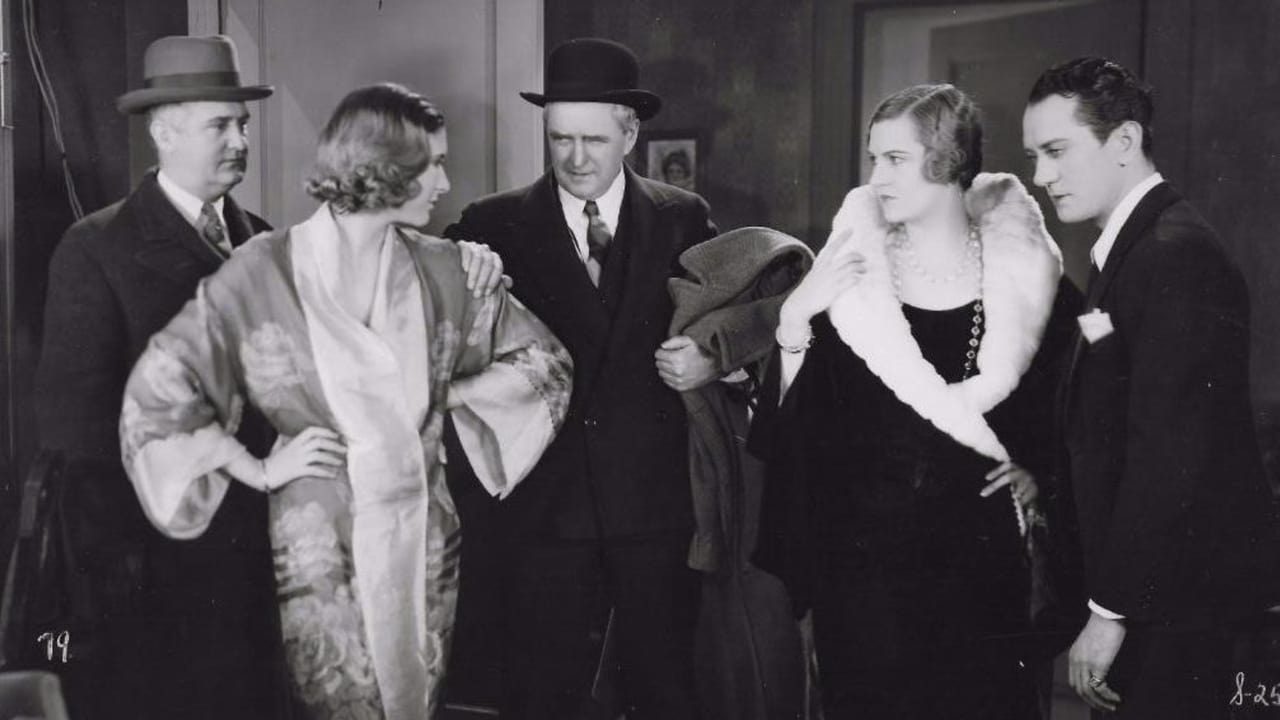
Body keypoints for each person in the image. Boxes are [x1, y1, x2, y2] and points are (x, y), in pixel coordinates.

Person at [116, 82, 570, 720]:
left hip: (424, 534)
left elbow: (545, 362)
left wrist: (449, 397)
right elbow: (161, 387)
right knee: (333, 697)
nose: (445, 183)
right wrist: (255, 468)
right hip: (317, 542)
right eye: (434, 164)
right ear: (386, 168)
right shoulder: (264, 268)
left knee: (415, 695)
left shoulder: (446, 268)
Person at [754, 83, 1081, 719]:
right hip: (865, 573)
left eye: (895, 160)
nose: (877, 177)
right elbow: (796, 437)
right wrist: (795, 319)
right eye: (873, 159)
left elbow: (1077, 415)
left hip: (981, 565)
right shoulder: (850, 281)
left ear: (949, 160)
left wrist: (1040, 476)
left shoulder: (1032, 282)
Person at [444, 37, 718, 720]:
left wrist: (710, 359)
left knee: (664, 691)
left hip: (653, 510)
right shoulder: (490, 224)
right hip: (542, 511)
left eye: (593, 140)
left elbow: (729, 321)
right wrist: (460, 275)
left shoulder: (684, 217)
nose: (574, 158)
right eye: (560, 139)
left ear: (631, 133)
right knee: (541, 696)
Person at [33, 34, 279, 720]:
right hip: (157, 565)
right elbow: (77, 433)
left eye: (242, 124)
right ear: (163, 132)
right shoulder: (97, 247)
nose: (239, 141)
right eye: (219, 125)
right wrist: (119, 570)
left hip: (256, 553)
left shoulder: (262, 239)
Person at [1023, 57, 1276, 719]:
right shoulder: (1132, 250)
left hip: (1175, 611)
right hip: (1156, 600)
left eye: (1056, 151)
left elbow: (1171, 457)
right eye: (1034, 156)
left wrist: (1110, 611)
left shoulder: (1173, 253)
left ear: (1125, 141)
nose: (1040, 176)